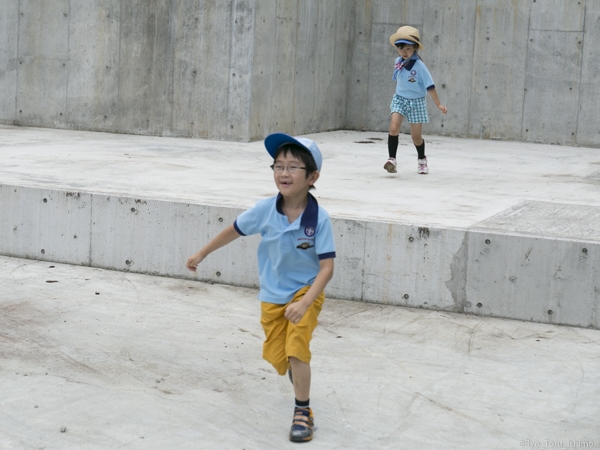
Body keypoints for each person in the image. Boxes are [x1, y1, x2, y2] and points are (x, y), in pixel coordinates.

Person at [185, 133, 336, 443]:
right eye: (278, 166)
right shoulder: (265, 209)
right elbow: (234, 230)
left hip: (305, 293)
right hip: (272, 293)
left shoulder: (319, 220)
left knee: (297, 348)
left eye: (293, 167)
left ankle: (303, 412)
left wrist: (306, 302)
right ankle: (297, 372)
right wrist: (202, 253)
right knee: (279, 357)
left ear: (312, 177)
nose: (283, 173)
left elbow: (327, 268)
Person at [384, 26, 447, 175]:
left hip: (416, 102)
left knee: (416, 137)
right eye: (400, 48)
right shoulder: (398, 60)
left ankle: (422, 159)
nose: (403, 52)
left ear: (415, 48)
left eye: (407, 49)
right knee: (393, 127)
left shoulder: (419, 66)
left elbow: (430, 86)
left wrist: (438, 104)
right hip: (399, 99)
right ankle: (392, 159)